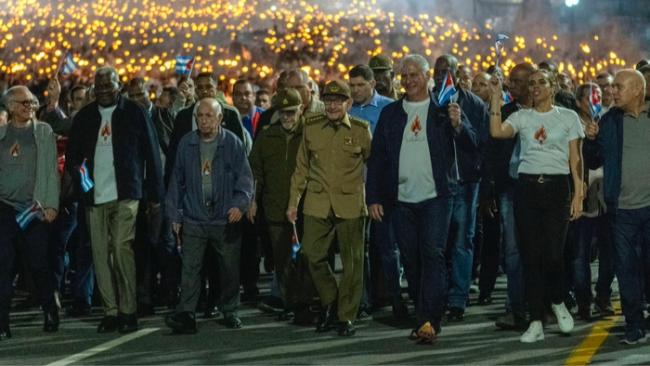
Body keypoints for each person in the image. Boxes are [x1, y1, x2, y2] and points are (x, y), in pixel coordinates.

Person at [367, 54, 478, 343]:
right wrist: (374, 197)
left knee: (433, 254)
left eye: (415, 74)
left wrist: (458, 125)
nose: (409, 80)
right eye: (404, 76)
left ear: (428, 77)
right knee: (411, 259)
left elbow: (471, 144)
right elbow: (378, 158)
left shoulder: (444, 110)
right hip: (401, 199)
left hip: (436, 198)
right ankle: (423, 311)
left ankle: (429, 319)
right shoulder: (391, 114)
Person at [488, 68, 585, 343]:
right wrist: (496, 97)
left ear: (553, 86)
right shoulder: (522, 117)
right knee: (530, 257)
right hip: (527, 189)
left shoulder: (568, 117)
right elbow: (497, 131)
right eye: (531, 83)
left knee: (553, 254)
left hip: (557, 190)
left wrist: (578, 195)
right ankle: (535, 321)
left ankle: (556, 300)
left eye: (541, 82)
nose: (535, 87)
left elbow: (576, 159)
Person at [66, 67, 164, 334]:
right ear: (93, 89)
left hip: (127, 194)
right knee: (100, 255)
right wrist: (81, 183)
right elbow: (73, 157)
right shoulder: (85, 117)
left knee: (122, 250)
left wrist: (155, 195)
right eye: (100, 88)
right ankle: (110, 311)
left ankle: (128, 310)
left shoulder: (134, 112)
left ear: (118, 86)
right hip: (94, 197)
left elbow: (152, 155)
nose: (105, 92)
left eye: (110, 86)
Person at [287, 80, 371, 337]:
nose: (333, 105)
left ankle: (345, 317)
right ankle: (331, 300)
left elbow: (373, 165)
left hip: (350, 204)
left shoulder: (361, 129)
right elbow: (301, 167)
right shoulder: (311, 127)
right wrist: (293, 203)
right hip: (317, 202)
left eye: (338, 101)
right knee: (311, 254)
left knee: (352, 264)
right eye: (329, 101)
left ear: (348, 103)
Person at [165, 98, 253, 334]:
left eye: (209, 116)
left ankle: (230, 310)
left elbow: (245, 179)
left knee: (229, 268)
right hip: (195, 217)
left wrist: (239, 205)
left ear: (220, 118)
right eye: (200, 116)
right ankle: (186, 314)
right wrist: (175, 215)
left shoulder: (232, 143)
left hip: (225, 218)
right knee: (190, 269)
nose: (204, 121)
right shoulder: (187, 144)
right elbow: (177, 182)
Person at [584, 69, 650, 345]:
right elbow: (594, 161)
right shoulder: (608, 120)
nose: (613, 91)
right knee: (625, 269)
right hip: (620, 210)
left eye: (619, 87)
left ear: (637, 90)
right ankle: (634, 324)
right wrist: (590, 140)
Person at [432, 54, 489, 322]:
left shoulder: (474, 104)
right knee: (437, 242)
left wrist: (459, 126)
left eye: (448, 71)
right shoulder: (428, 102)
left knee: (462, 242)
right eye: (438, 71)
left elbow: (480, 143)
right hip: (437, 184)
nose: (442, 75)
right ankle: (437, 294)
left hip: (466, 183)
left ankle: (457, 298)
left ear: (457, 73)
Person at [0, 86, 60, 340]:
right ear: (11, 107)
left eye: (33, 103)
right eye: (24, 103)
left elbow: (50, 171)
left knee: (38, 263)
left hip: (34, 209)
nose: (30, 107)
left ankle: (50, 308)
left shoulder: (44, 132)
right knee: (3, 265)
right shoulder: (1, 134)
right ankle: (2, 321)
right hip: (5, 208)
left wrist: (52, 205)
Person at [481, 62, 536, 331]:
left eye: (516, 81)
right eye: (510, 81)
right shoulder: (504, 113)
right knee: (513, 251)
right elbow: (491, 153)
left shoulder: (549, 113)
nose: (510, 85)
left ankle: (541, 304)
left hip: (540, 189)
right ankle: (516, 308)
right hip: (511, 189)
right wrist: (489, 191)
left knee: (541, 250)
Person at [347, 64, 404, 317]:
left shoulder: (388, 108)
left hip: (381, 188)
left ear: (372, 84)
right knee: (358, 248)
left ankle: (395, 297)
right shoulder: (346, 111)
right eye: (352, 85)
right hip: (353, 187)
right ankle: (364, 300)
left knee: (387, 247)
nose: (356, 90)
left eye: (360, 85)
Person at [249, 88, 306, 319]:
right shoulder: (267, 136)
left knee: (308, 257)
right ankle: (290, 303)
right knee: (282, 260)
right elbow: (256, 172)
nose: (287, 118)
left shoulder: (310, 134)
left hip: (305, 208)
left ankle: (307, 301)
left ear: (300, 109)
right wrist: (252, 200)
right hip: (275, 208)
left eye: (291, 112)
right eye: (283, 113)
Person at [570, 83, 615, 321]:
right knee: (580, 252)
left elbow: (603, 158)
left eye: (598, 96)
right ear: (579, 102)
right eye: (589, 98)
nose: (595, 101)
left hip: (606, 196)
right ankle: (583, 300)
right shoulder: (570, 121)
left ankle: (603, 295)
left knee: (610, 251)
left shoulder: (610, 120)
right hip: (583, 196)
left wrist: (597, 138)